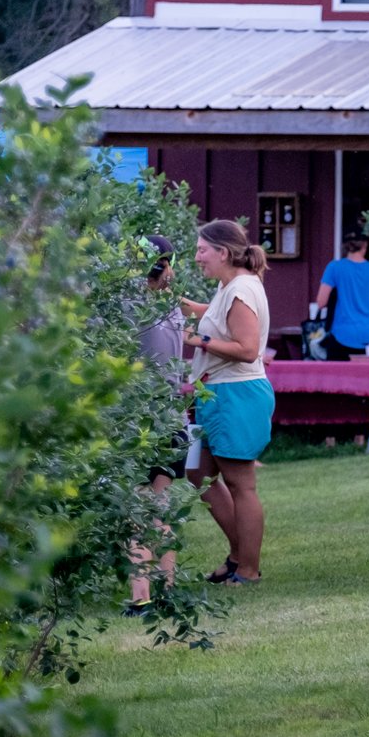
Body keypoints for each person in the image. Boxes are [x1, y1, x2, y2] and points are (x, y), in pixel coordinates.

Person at [180, 219, 275, 583]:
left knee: (241, 483)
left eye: (202, 249)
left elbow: (248, 350)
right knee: (198, 473)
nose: (197, 256)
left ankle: (247, 568)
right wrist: (175, 301)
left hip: (235, 393)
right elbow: (215, 317)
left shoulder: (240, 290)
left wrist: (197, 342)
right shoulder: (230, 287)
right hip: (217, 392)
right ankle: (239, 553)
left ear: (223, 252)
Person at [127, 235, 192, 615]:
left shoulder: (128, 307)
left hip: (138, 421)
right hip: (173, 419)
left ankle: (141, 598)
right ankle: (167, 590)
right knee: (161, 505)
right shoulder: (172, 309)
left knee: (138, 509)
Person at [313, 235, 369, 355]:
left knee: (339, 374)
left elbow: (321, 302)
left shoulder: (334, 267)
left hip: (342, 334)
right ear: (364, 246)